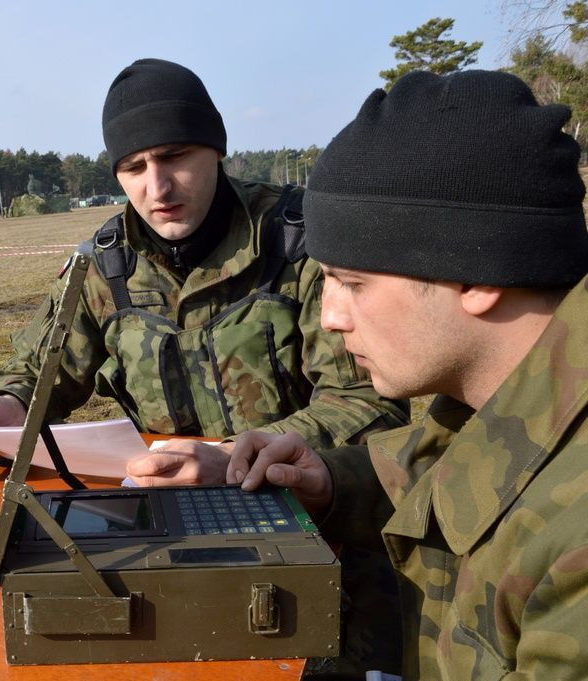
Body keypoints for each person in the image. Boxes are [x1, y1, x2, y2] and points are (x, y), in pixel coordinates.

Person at [229, 69, 588, 680]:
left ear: (478, 274)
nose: (330, 317)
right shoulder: (495, 398)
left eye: (352, 282)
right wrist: (329, 485)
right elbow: (460, 472)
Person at [0, 58, 407, 482]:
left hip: (307, 508)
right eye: (134, 167)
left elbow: (368, 404)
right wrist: (9, 408)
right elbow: (41, 370)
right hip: (161, 503)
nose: (157, 187)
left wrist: (231, 458)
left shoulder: (301, 243)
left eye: (175, 157)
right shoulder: (106, 264)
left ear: (216, 149)